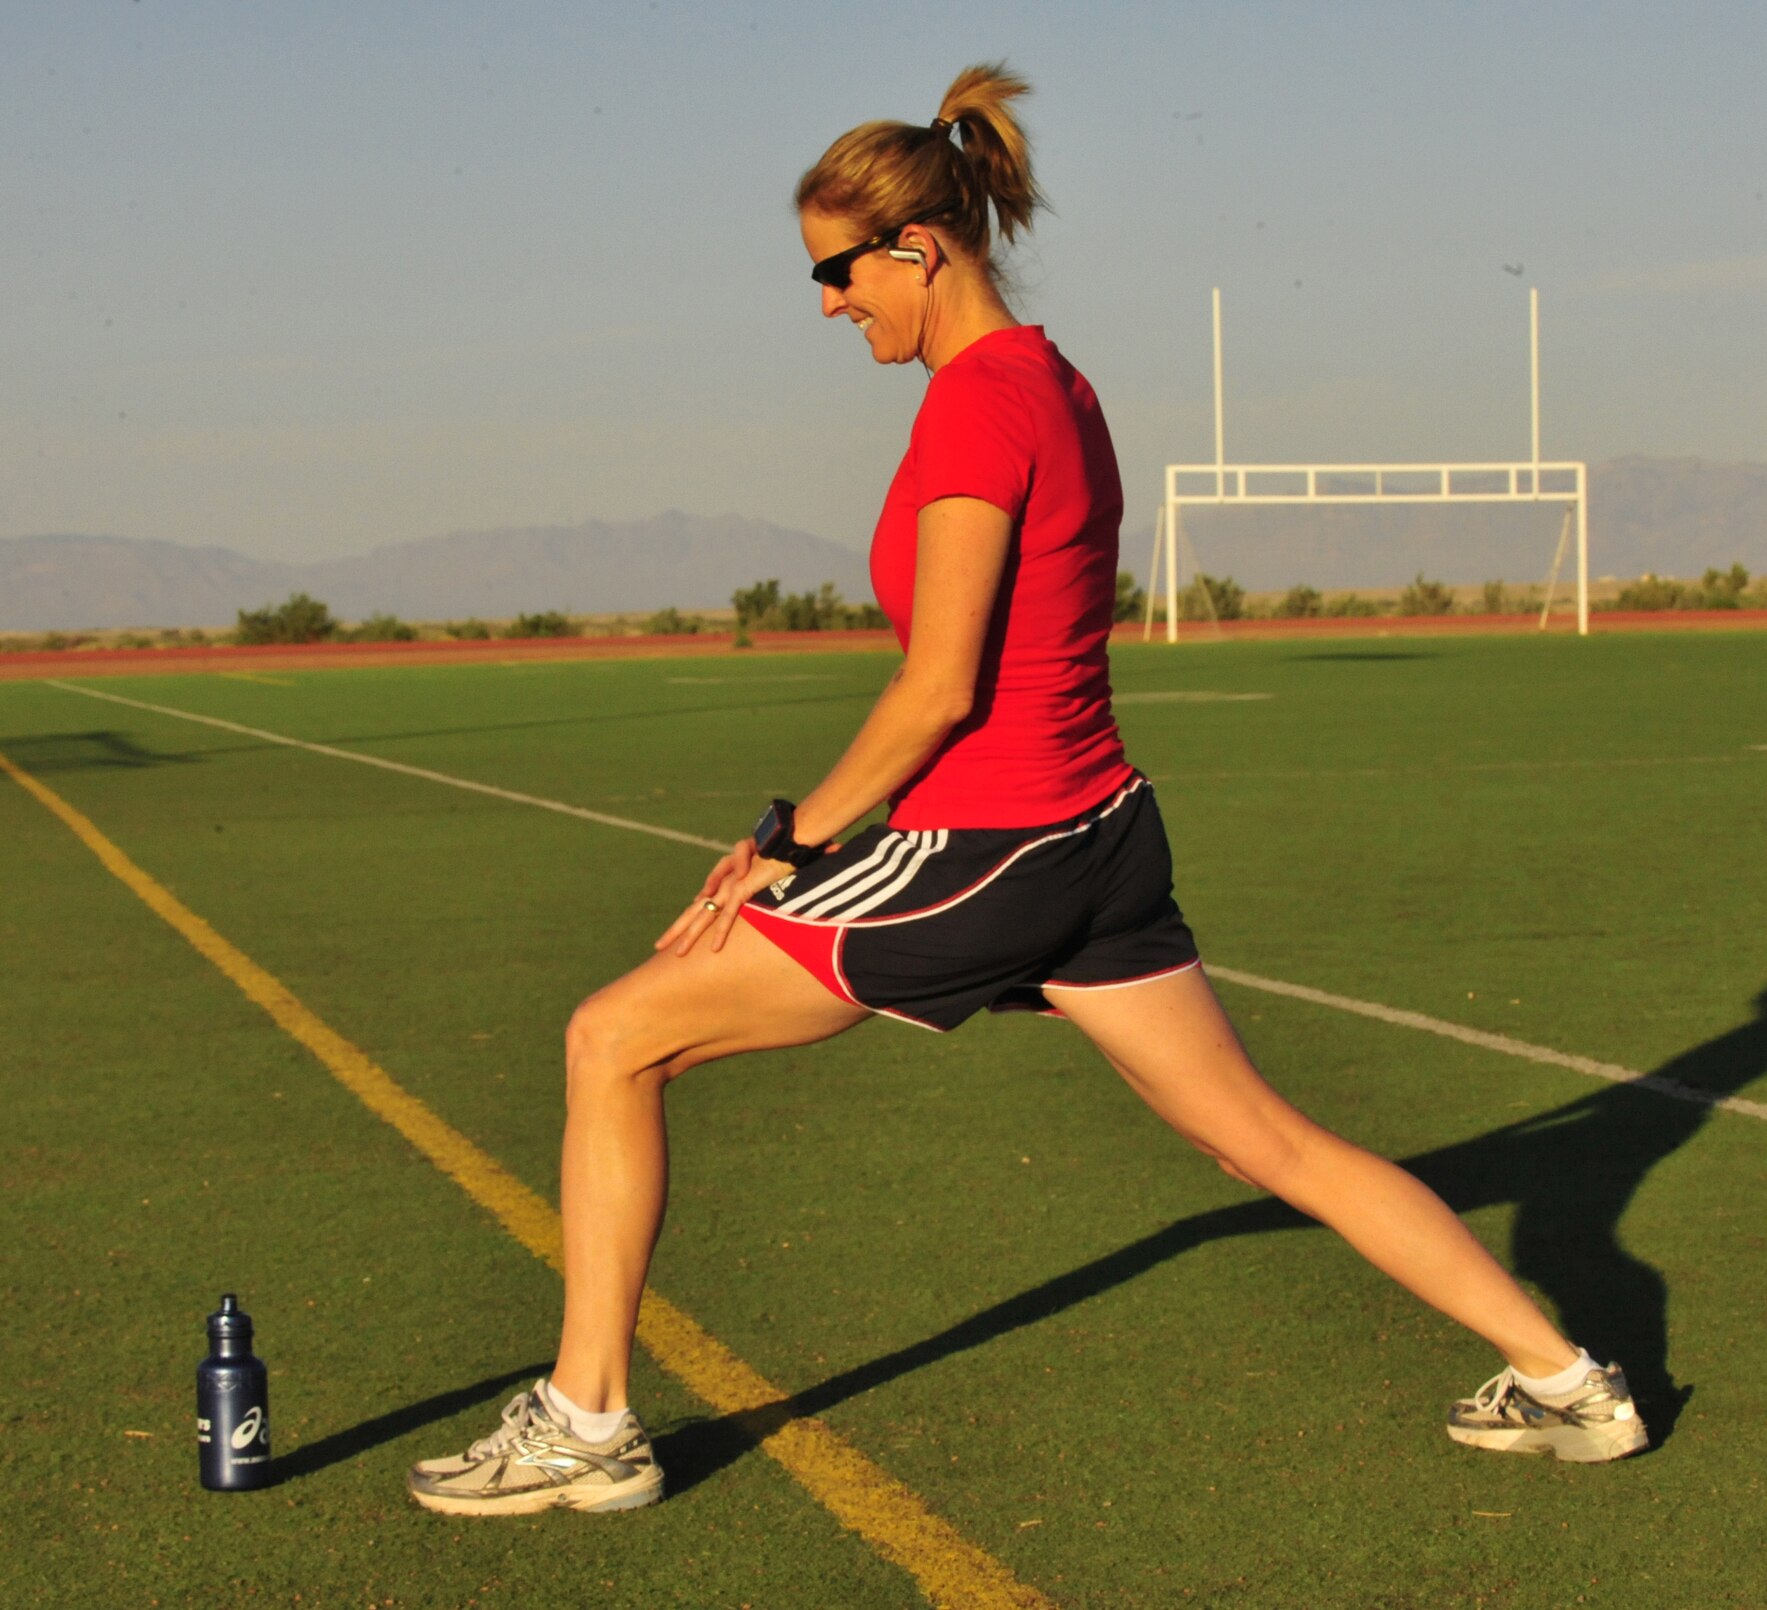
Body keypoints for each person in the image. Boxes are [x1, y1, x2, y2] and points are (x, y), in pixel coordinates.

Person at [406, 64, 1647, 1518]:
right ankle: (1571, 1382)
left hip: (993, 841)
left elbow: (937, 689)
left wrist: (786, 840)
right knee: (1269, 1139)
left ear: (916, 249)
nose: (825, 305)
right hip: (1098, 831)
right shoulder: (1054, 378)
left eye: (834, 272)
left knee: (611, 1037)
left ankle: (587, 1424)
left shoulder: (976, 411)